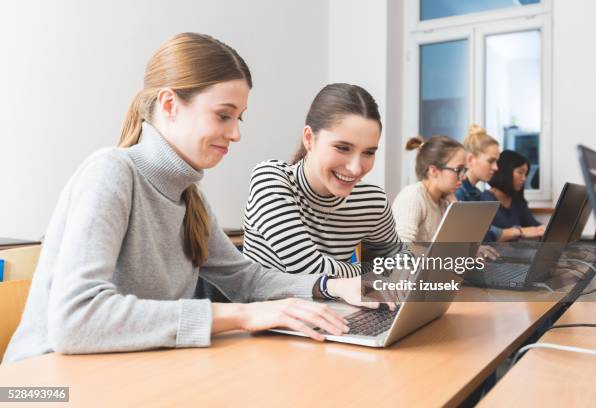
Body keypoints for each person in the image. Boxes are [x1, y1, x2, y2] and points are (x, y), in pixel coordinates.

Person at [2, 33, 385, 365]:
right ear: (169, 105)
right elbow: (77, 321)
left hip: (124, 372)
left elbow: (244, 277)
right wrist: (241, 317)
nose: (235, 134)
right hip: (41, 385)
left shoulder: (189, 196)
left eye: (240, 118)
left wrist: (332, 287)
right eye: (223, 116)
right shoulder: (111, 172)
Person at [242, 83, 401, 278]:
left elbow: (400, 264)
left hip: (337, 307)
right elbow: (308, 269)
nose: (356, 168)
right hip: (267, 307)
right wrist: (373, 272)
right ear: (309, 138)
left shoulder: (371, 201)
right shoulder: (271, 179)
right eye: (342, 148)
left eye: (368, 152)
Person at [392, 135, 466, 243]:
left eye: (464, 170)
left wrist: (455, 207)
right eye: (458, 169)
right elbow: (401, 250)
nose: (463, 176)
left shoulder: (443, 202)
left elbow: (456, 243)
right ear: (433, 171)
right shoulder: (412, 196)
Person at [456, 124, 519, 242]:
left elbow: (483, 234)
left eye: (497, 162)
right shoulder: (458, 194)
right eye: (491, 161)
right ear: (470, 160)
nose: (496, 168)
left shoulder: (476, 194)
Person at [480, 150, 545, 240]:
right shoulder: (484, 200)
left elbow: (533, 225)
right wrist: (522, 231)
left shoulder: (517, 201)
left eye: (525, 174)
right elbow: (489, 236)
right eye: (520, 172)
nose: (524, 179)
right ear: (505, 171)